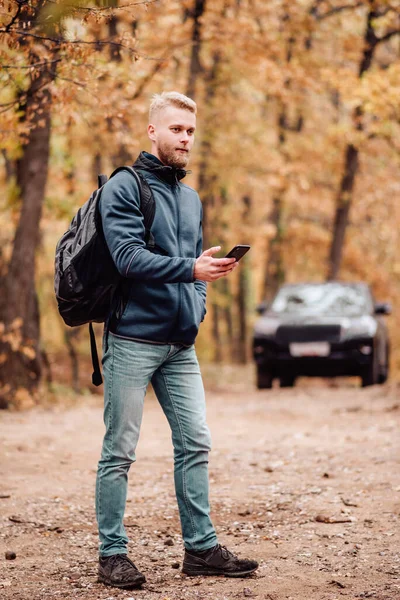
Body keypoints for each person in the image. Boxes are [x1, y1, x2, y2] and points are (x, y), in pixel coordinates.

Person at [96, 91, 259, 589]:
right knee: (119, 450)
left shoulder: (191, 198)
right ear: (152, 131)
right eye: (175, 129)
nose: (184, 138)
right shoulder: (124, 187)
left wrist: (199, 294)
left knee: (196, 442)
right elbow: (127, 257)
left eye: (189, 130)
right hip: (132, 338)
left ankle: (202, 549)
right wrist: (190, 267)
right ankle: (112, 554)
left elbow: (190, 266)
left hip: (179, 345)